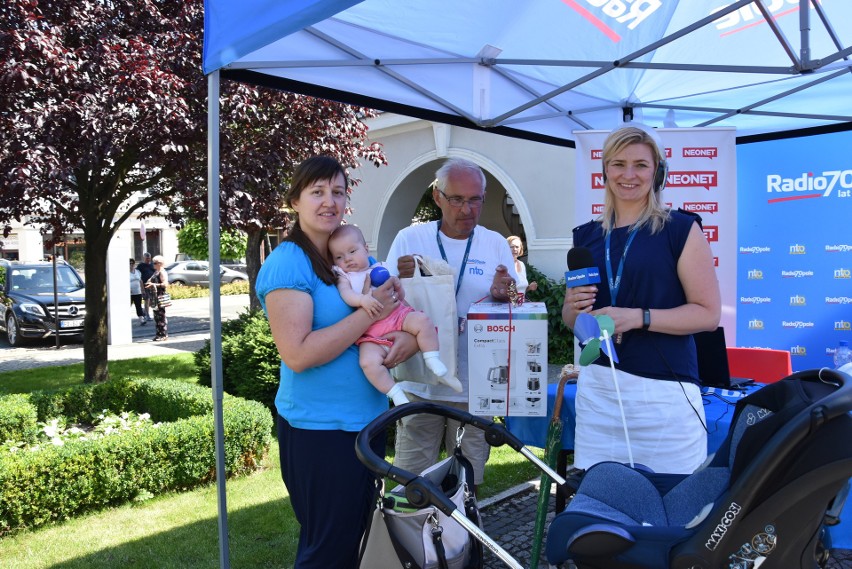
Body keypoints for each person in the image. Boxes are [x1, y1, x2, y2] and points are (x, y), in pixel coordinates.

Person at [255, 156, 419, 568]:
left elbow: (393, 316)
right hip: (320, 431)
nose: (330, 201)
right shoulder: (289, 262)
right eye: (318, 191)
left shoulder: (343, 257)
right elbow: (298, 353)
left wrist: (403, 338)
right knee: (328, 551)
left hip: (366, 420)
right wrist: (370, 314)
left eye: (338, 191)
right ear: (295, 200)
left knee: (353, 544)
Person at [562, 125, 721, 475]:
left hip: (665, 395)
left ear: (658, 173)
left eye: (641, 165)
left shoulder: (680, 229)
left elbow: (708, 315)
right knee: (605, 506)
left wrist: (638, 317)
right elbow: (577, 324)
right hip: (600, 391)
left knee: (671, 508)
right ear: (605, 171)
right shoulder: (585, 236)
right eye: (618, 164)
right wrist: (571, 311)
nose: (628, 175)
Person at [385, 157, 518, 488]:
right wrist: (399, 283)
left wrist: (507, 294)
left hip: (477, 387)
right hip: (421, 383)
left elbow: (517, 302)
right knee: (410, 483)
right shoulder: (409, 239)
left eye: (475, 199)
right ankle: (411, 541)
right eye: (457, 199)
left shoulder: (494, 243)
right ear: (438, 197)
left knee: (465, 486)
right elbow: (383, 299)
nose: (466, 209)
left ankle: (464, 541)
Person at [328, 224, 461, 406]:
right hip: (370, 330)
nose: (348, 259)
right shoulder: (345, 276)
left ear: (366, 249)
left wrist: (398, 287)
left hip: (396, 316)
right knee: (368, 362)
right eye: (339, 257)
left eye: (352, 251)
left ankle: (432, 358)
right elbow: (346, 293)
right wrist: (362, 300)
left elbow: (396, 287)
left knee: (423, 321)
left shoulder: (379, 267)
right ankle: (395, 392)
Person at [145, 256, 169, 341]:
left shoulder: (162, 272)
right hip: (155, 296)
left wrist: (154, 285)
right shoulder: (156, 272)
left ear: (160, 264)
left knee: (161, 315)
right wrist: (149, 282)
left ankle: (163, 334)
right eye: (153, 262)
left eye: (155, 263)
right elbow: (150, 280)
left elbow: (165, 284)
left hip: (161, 295)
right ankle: (158, 334)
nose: (153, 264)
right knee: (156, 316)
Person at [137, 252, 155, 322]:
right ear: (144, 258)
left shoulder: (151, 265)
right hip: (144, 285)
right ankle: (147, 315)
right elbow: (138, 275)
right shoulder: (141, 266)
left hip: (152, 285)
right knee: (147, 300)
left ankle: (144, 311)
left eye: (149, 258)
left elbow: (155, 272)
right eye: (147, 258)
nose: (148, 260)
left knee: (151, 301)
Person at [129, 258, 145, 325]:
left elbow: (140, 281)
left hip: (138, 292)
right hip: (130, 293)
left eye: (132, 263)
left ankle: (141, 319)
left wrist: (143, 290)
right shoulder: (125, 273)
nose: (131, 265)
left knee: (138, 306)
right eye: (130, 263)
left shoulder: (137, 272)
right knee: (128, 306)